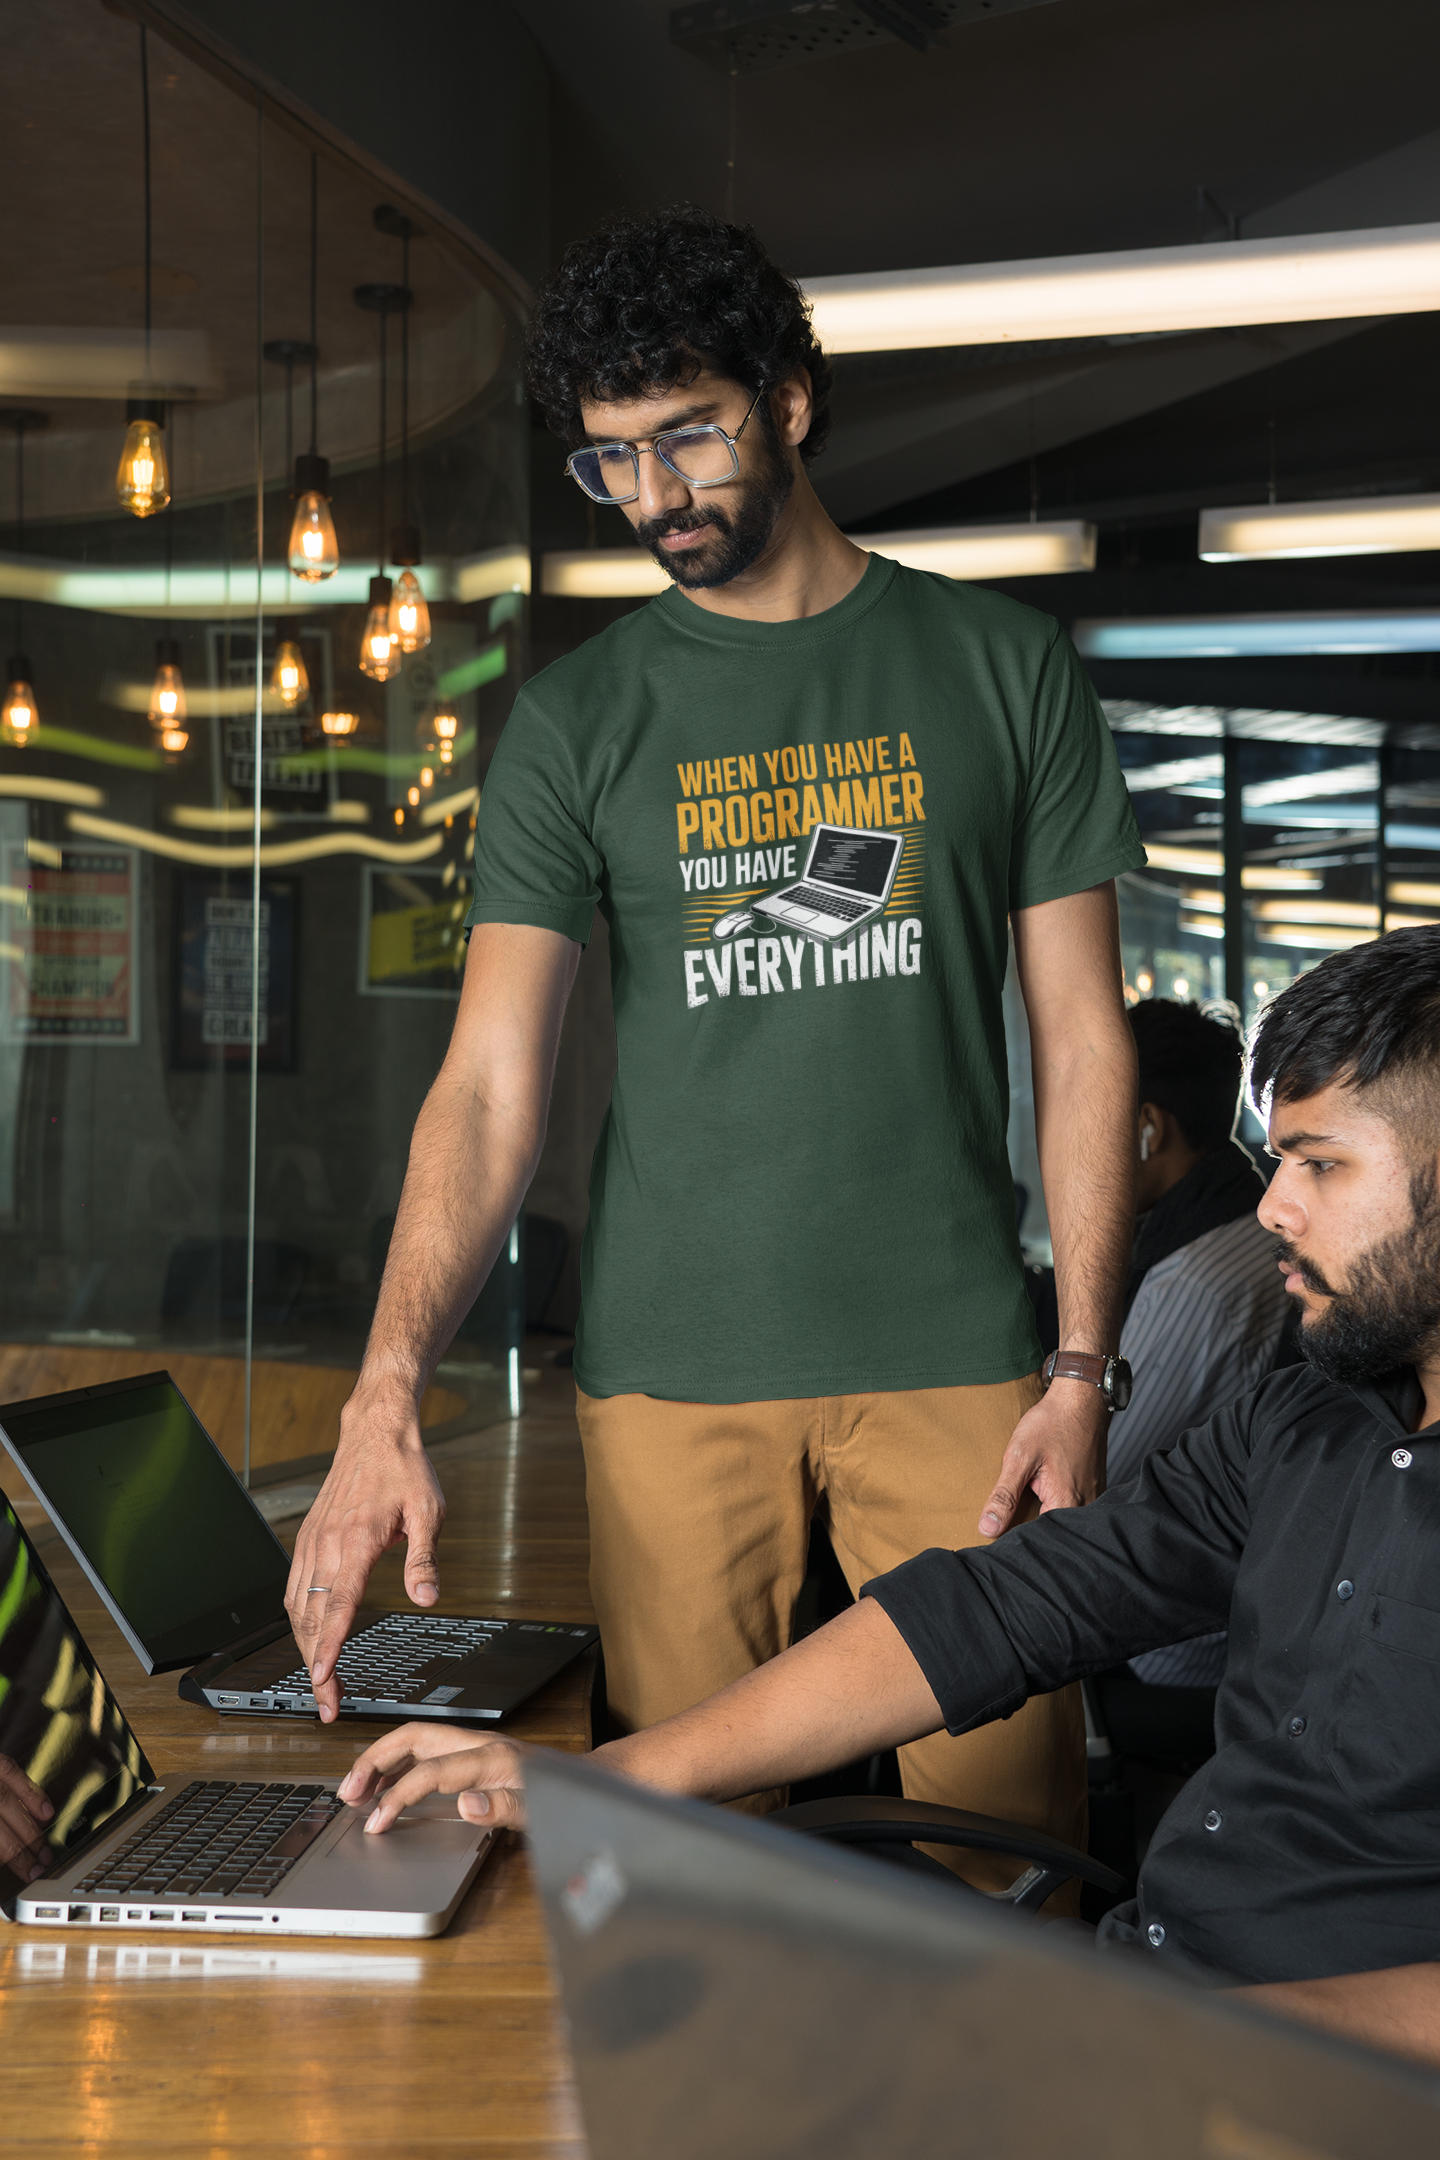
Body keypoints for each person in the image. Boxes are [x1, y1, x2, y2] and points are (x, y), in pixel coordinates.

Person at [287, 205, 1145, 1879]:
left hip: (961, 1354)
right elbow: (487, 1086)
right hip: (672, 1367)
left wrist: (1084, 1363)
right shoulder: (579, 721)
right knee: (697, 1860)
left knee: (1007, 1856)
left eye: (691, 435)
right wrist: (381, 1393)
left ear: (792, 401)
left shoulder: (999, 667)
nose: (657, 498)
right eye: (610, 462)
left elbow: (1082, 1043)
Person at [339, 925, 1440, 2066]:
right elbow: (1002, 1608)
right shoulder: (1304, 1422)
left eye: (1321, 1164)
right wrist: (600, 1779)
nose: (1270, 1206)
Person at [1107, 997, 1290, 1702]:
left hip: (1176, 1647)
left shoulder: (1194, 1280)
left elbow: (1094, 1472)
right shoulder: (1243, 1218)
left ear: (1149, 1128)